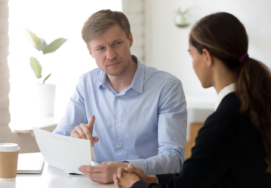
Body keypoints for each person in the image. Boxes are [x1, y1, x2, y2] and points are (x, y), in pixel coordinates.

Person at [113, 12, 271, 188]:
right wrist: (153, 179)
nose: (193, 62)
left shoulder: (226, 120)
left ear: (207, 56)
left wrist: (133, 185)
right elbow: (200, 175)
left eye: (191, 54)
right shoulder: (252, 106)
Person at [52, 9, 187, 184]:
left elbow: (174, 160)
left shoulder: (167, 87)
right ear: (90, 52)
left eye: (116, 43)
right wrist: (73, 143)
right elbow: (56, 144)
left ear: (130, 39)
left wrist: (126, 167)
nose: (110, 55)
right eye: (100, 48)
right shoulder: (86, 84)